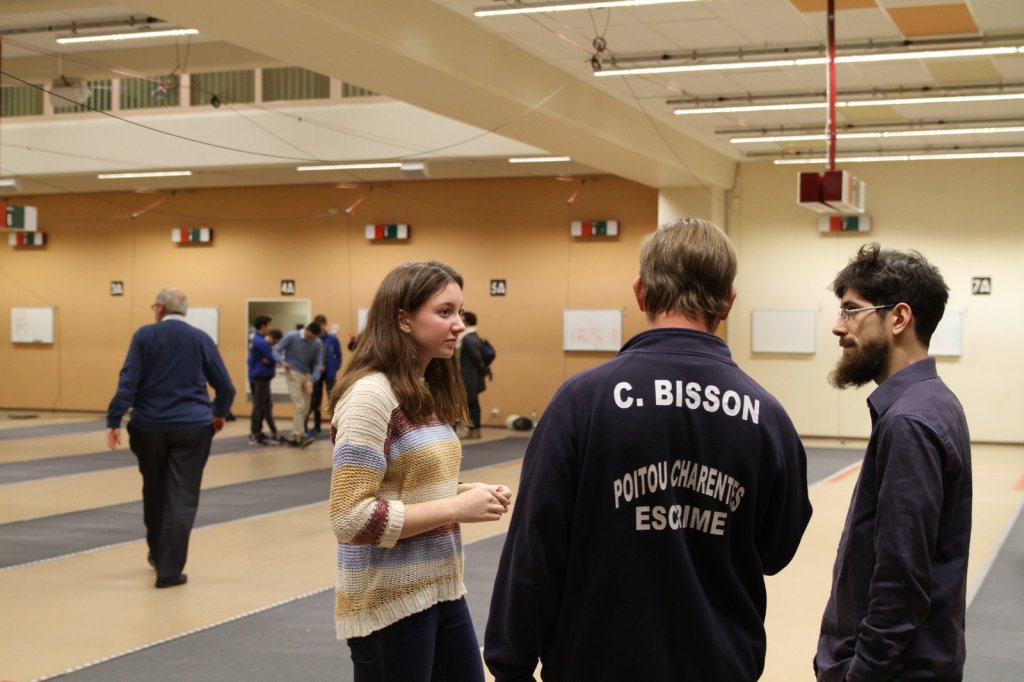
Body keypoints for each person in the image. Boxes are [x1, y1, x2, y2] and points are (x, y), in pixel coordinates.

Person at [484, 218, 812, 681]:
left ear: (640, 292)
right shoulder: (766, 415)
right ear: (728, 300)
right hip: (719, 664)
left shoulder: (582, 401)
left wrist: (510, 663)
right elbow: (776, 550)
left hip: (595, 664)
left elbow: (535, 545)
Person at [328, 261, 513, 682]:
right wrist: (455, 508)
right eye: (445, 312)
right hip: (388, 603)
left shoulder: (422, 389)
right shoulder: (370, 397)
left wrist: (464, 492)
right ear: (404, 320)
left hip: (441, 590)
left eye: (459, 312)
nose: (459, 324)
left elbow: (407, 483)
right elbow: (350, 518)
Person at [814, 244, 972, 682]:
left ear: (899, 318)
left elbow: (901, 579)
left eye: (851, 310)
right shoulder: (934, 402)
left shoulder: (909, 422)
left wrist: (862, 673)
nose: (838, 326)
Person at [105, 287, 236, 588]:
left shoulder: (144, 336)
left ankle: (156, 553)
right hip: (192, 427)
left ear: (160, 308)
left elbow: (128, 381)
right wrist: (218, 414)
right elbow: (226, 387)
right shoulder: (200, 338)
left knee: (154, 491)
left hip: (148, 427)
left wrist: (114, 418)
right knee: (182, 497)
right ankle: (169, 569)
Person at [274, 321, 324, 447]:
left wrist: (312, 379)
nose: (310, 340)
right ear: (306, 329)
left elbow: (318, 362)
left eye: (313, 338)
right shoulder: (291, 336)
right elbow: (277, 349)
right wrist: (282, 362)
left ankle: (295, 437)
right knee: (300, 405)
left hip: (306, 374)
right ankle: (299, 436)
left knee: (306, 408)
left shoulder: (317, 343)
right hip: (293, 372)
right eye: (309, 337)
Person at [306, 313, 342, 438]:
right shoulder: (312, 339)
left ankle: (335, 427)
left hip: (330, 373)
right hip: (316, 374)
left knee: (333, 400)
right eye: (318, 325)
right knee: (315, 400)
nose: (321, 327)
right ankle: (316, 427)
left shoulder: (332, 339)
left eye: (322, 324)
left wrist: (334, 367)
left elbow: (338, 355)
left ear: (325, 325)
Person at [247, 315, 282, 446]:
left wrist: (269, 361)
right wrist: (271, 361)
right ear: (263, 326)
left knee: (267, 406)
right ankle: (254, 434)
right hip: (260, 378)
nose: (270, 328)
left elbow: (268, 359)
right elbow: (271, 359)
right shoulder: (259, 341)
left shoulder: (259, 340)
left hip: (264, 377)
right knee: (259, 406)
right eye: (269, 325)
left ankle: (273, 432)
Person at [458, 311, 490, 439]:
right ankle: (474, 430)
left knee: (471, 404)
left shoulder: (468, 338)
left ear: (467, 322)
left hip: (469, 376)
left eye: (462, 320)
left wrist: (484, 371)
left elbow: (476, 358)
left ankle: (473, 430)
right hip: (471, 376)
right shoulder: (473, 336)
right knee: (473, 403)